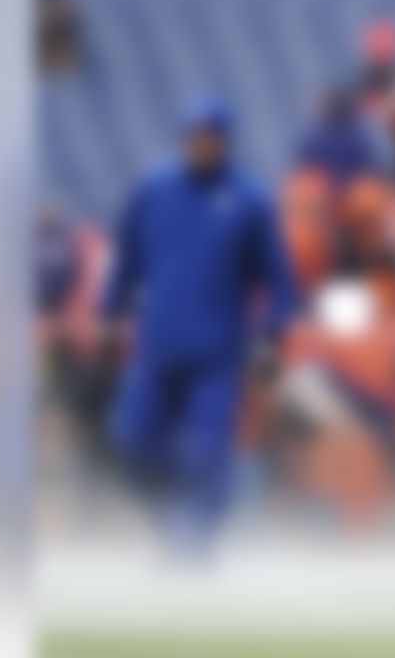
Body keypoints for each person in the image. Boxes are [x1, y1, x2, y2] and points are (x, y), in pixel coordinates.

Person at [101, 98, 297, 557]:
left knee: (209, 454)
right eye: (194, 137)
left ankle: (195, 540)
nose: (201, 146)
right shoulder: (152, 190)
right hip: (158, 347)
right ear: (184, 139)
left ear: (226, 142)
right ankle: (172, 518)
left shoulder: (249, 201)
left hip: (217, 354)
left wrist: (272, 335)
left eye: (210, 138)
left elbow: (280, 282)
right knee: (130, 442)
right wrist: (110, 315)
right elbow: (126, 261)